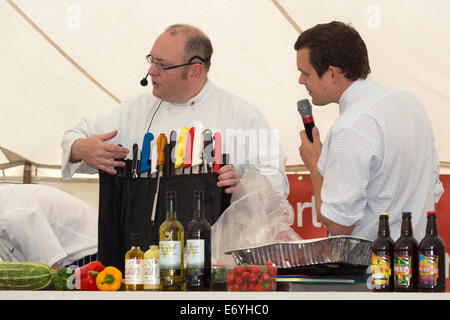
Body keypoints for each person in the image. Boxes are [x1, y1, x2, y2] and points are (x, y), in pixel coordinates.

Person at [61, 24, 289, 197]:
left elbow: (276, 185)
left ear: (194, 72)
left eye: (162, 65)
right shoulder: (134, 111)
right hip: (144, 249)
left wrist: (241, 186)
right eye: (151, 60)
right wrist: (80, 148)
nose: (151, 71)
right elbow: (76, 135)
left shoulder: (242, 116)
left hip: (216, 251)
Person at [295, 21, 444, 241]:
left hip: (373, 271)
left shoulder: (351, 126)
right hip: (419, 265)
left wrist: (315, 166)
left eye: (305, 73)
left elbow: (338, 226)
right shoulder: (409, 102)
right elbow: (433, 190)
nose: (301, 81)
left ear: (332, 74)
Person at [0, 183, 98, 269]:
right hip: (74, 258)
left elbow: (48, 271)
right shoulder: (7, 201)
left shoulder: (16, 216)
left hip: (87, 255)